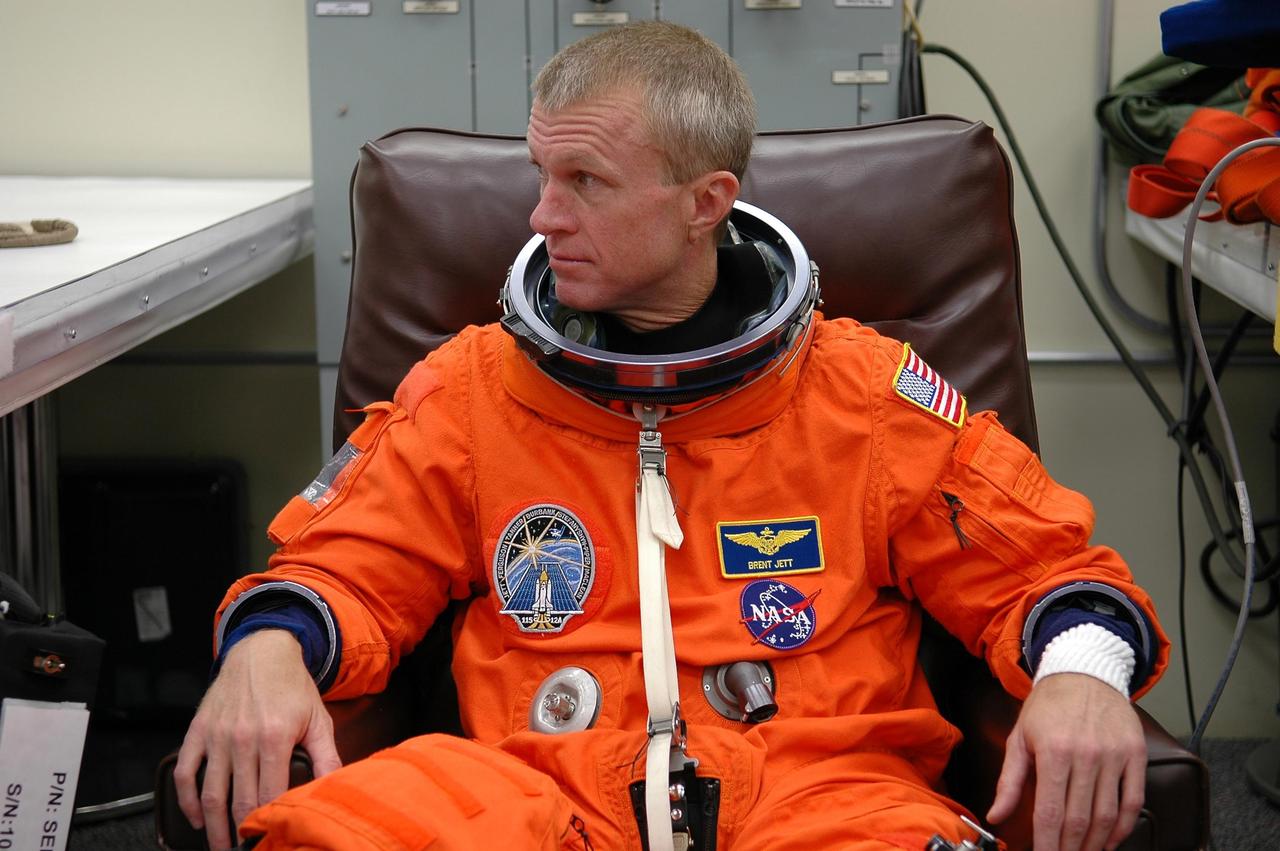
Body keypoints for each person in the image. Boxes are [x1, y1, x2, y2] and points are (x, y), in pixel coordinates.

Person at [175, 21, 1168, 851]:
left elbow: (1041, 567)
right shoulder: (474, 389)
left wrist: (1081, 671)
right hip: (530, 787)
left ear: (705, 205)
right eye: (539, 172)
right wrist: (266, 641)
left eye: (584, 181)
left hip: (815, 791)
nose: (540, 214)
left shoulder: (861, 393)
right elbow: (347, 564)